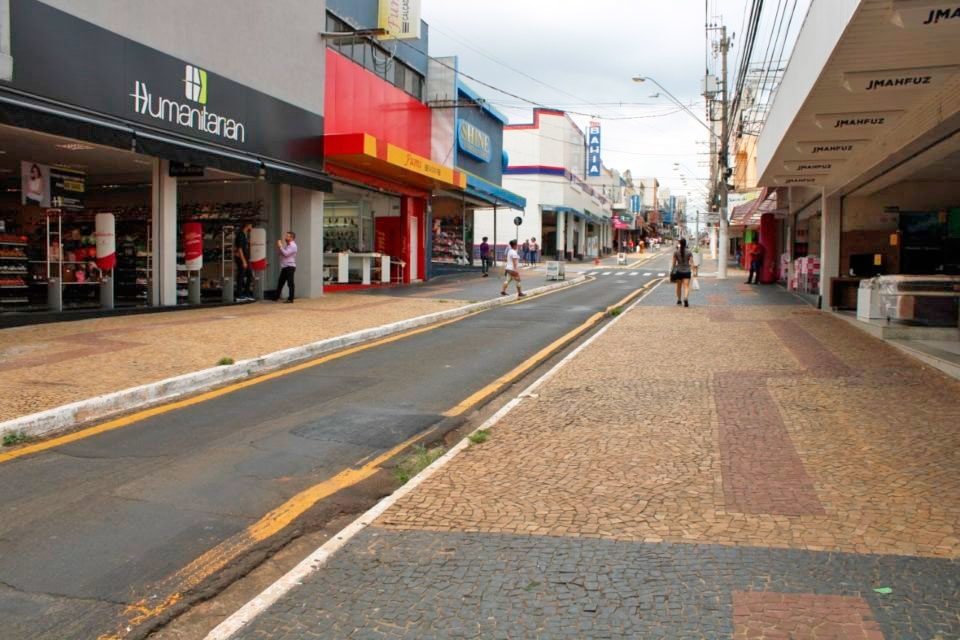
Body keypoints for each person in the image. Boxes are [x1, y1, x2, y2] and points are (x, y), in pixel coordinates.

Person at [275, 231, 297, 303]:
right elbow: (283, 253)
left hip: (290, 266)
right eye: (286, 236)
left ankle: (291, 299)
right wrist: (280, 248)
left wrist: (280, 246)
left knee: (290, 283)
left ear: (292, 238)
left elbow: (286, 253)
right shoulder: (288, 245)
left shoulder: (293, 245)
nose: (285, 237)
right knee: (280, 282)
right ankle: (276, 297)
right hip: (285, 266)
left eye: (287, 236)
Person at [671, 237, 694, 307]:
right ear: (685, 243)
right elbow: (692, 262)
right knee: (686, 286)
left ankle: (679, 300)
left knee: (678, 287)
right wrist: (694, 270)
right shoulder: (689, 252)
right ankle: (686, 298)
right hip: (687, 271)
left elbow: (674, 263)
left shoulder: (676, 252)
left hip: (678, 271)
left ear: (679, 244)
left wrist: (672, 271)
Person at [234, 223, 253, 301]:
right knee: (241, 276)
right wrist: (244, 261)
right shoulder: (240, 235)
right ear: (247, 225)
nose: (252, 227)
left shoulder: (245, 235)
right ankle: (239, 295)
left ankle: (246, 293)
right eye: (251, 225)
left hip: (246, 258)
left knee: (249, 275)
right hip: (242, 259)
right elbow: (240, 249)